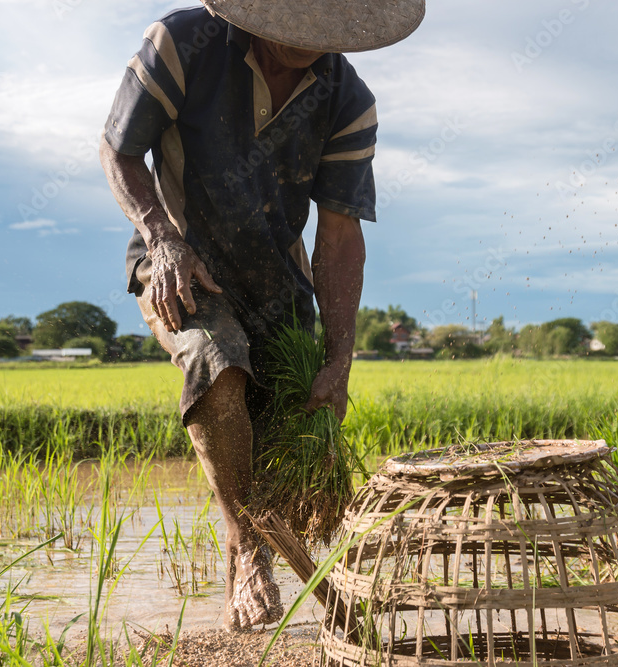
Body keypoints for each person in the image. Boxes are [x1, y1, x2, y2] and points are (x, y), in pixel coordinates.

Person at [99, 0, 424, 630]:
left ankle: (298, 568)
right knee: (216, 364)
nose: (309, 39)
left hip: (278, 283)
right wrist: (163, 236)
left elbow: (338, 235)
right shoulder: (182, 42)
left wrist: (339, 358)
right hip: (178, 265)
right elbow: (118, 151)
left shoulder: (348, 100)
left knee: (294, 427)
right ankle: (245, 553)